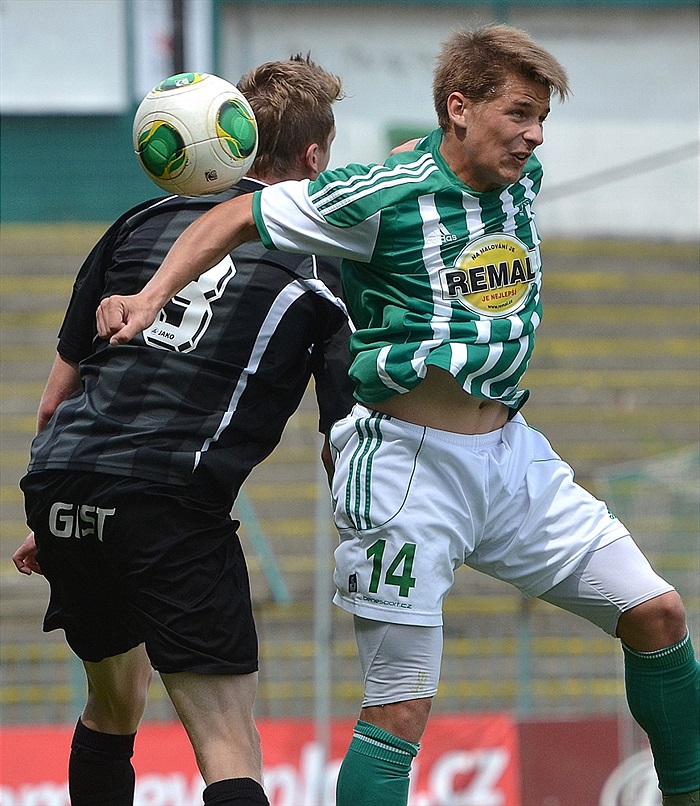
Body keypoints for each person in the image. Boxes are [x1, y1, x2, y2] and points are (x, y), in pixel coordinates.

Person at [94, 24, 700, 806]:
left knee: (657, 614)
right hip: (408, 471)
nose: (534, 135)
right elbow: (232, 219)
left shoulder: (521, 179)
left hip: (512, 458)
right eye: (519, 113)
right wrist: (149, 298)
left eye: (541, 117)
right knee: (400, 711)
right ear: (459, 107)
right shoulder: (380, 194)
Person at [12, 55, 354, 806]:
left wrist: (62, 515)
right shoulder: (325, 263)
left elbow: (54, 402)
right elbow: (341, 438)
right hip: (168, 499)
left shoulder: (137, 223)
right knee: (227, 741)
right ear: (314, 159)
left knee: (113, 705)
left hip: (66, 484)